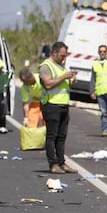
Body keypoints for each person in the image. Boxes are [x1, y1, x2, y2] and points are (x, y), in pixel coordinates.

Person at [39, 41, 78, 174]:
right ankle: (53, 164)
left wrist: (71, 80)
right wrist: (64, 77)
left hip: (63, 105)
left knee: (62, 136)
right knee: (52, 136)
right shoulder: (46, 66)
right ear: (54, 53)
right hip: (51, 105)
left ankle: (62, 163)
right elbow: (48, 84)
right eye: (62, 55)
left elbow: (63, 84)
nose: (64, 58)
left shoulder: (61, 67)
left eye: (65, 55)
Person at [90, 45, 107, 135]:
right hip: (100, 91)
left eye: (104, 51)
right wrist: (92, 91)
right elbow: (93, 79)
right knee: (103, 112)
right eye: (100, 51)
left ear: (106, 52)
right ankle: (105, 129)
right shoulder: (95, 64)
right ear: (98, 52)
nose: (102, 53)